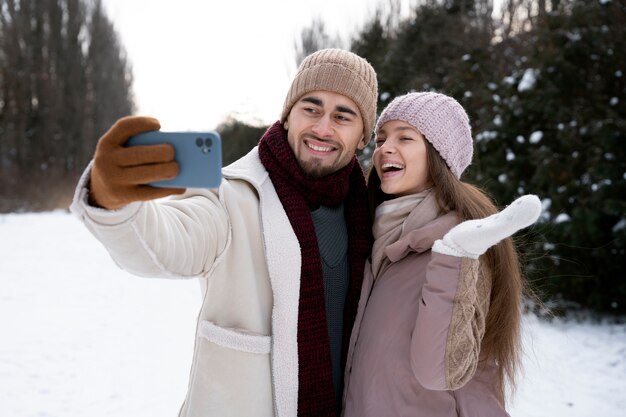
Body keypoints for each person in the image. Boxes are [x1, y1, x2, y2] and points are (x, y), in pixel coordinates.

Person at [70, 48, 378, 417]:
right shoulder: (231, 195)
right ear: (286, 117)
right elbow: (165, 244)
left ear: (363, 137)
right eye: (310, 109)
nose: (323, 128)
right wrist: (112, 199)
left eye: (342, 116)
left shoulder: (370, 215)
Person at [341, 92, 541, 417]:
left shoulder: (465, 248)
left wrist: (454, 256)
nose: (384, 149)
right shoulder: (377, 240)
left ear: (439, 155)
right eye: (380, 139)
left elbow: (438, 372)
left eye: (405, 137)